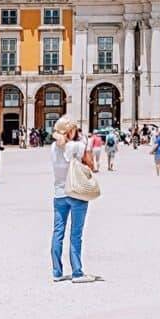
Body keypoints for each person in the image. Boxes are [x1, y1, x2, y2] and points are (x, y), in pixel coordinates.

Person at [51, 117, 101, 284]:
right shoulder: (77, 146)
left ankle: (57, 272)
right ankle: (77, 273)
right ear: (70, 131)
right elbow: (91, 165)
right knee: (75, 234)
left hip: (59, 194)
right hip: (76, 192)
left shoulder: (52, 147)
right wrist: (84, 144)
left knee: (57, 233)